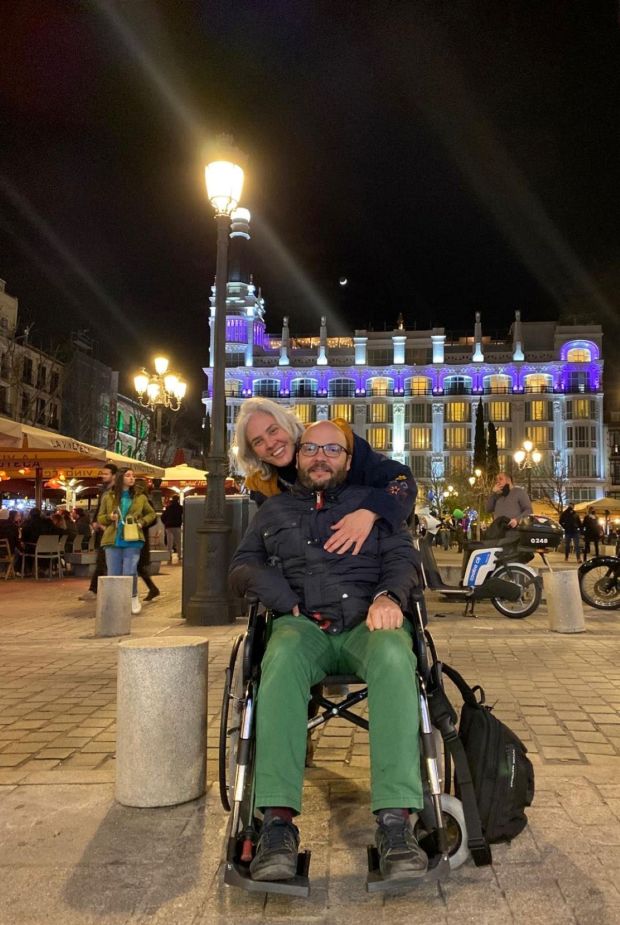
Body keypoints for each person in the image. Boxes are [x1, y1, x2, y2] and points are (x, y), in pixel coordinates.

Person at [229, 420, 426, 884]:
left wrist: (389, 598)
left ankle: (396, 823)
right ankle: (277, 824)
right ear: (297, 458)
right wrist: (285, 602)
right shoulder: (273, 511)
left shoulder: (372, 507)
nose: (321, 457)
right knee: (279, 658)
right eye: (312, 449)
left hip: (366, 623)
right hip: (304, 626)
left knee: (397, 656)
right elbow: (242, 568)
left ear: (347, 458)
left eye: (332, 450)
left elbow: (404, 559)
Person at [234, 397, 416, 552]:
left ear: (287, 425)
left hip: (365, 553)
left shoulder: (336, 442)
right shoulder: (264, 487)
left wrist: (370, 512)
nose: (271, 443)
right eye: (258, 442)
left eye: (273, 430)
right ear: (253, 453)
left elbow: (402, 480)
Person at [98, 468, 156, 615]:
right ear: (120, 478)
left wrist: (142, 522)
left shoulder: (139, 497)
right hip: (113, 539)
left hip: (133, 537)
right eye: (128, 476)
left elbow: (151, 514)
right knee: (113, 573)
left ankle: (132, 596)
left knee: (130, 571)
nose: (132, 478)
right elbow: (100, 517)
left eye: (133, 476)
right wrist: (110, 518)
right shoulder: (108, 496)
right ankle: (115, 601)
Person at [79, 463, 117, 602]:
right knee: (102, 560)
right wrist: (95, 521)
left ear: (114, 476)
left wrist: (103, 522)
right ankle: (98, 589)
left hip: (109, 530)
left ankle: (95, 589)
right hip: (101, 530)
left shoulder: (115, 491)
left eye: (106, 474)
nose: (103, 476)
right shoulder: (103, 490)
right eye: (103, 473)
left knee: (103, 560)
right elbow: (100, 509)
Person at [135, 481, 160, 602]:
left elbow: (153, 518)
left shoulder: (144, 500)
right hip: (137, 536)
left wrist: (142, 523)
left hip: (139, 536)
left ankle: (152, 588)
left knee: (138, 565)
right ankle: (152, 588)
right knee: (138, 566)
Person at [485, 472, 532, 537]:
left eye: (500, 479)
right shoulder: (497, 495)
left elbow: (528, 510)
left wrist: (517, 520)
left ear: (508, 480)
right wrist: (493, 493)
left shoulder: (519, 492)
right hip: (498, 532)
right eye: (497, 480)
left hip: (513, 531)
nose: (498, 482)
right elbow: (488, 509)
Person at [161, 496, 183, 563]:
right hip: (177, 526)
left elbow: (163, 517)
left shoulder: (168, 508)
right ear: (178, 500)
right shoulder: (180, 508)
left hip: (169, 526)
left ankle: (169, 556)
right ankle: (179, 556)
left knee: (169, 543)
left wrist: (166, 523)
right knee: (178, 542)